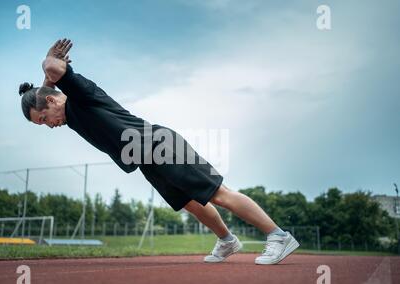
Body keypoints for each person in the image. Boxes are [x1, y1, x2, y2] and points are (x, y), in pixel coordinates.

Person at [19, 39, 299, 264]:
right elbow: (46, 89)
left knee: (218, 193)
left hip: (159, 145)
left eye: (43, 119)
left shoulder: (81, 94)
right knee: (191, 203)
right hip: (144, 158)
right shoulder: (63, 109)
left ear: (54, 101)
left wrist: (47, 61)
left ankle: (278, 236)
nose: (48, 126)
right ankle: (227, 241)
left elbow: (54, 71)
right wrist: (45, 81)